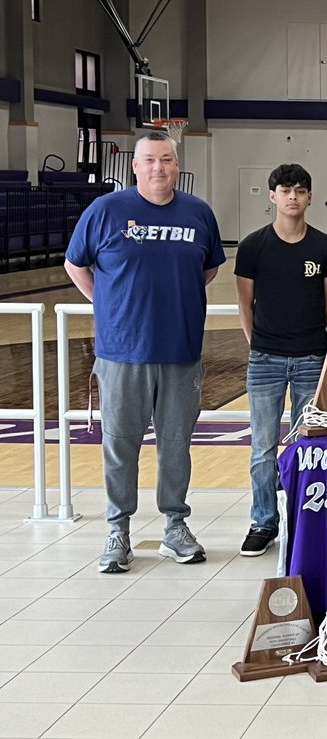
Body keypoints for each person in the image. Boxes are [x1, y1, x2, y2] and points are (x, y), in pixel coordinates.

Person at [64, 131, 225, 573]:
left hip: (180, 351)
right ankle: (118, 530)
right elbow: (74, 263)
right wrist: (106, 303)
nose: (159, 167)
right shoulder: (106, 211)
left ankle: (175, 525)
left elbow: (208, 268)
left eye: (167, 160)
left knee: (176, 445)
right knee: (120, 445)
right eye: (150, 160)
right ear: (134, 166)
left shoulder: (198, 214)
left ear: (177, 166)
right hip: (121, 353)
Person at [234, 163, 327, 557]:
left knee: (307, 443)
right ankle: (263, 521)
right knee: (262, 446)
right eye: (285, 190)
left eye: (300, 190)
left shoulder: (324, 247)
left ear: (309, 197)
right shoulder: (253, 246)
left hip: (312, 357)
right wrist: (259, 344)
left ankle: (302, 519)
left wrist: (307, 342)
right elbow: (246, 304)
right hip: (265, 359)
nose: (292, 196)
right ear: (272, 196)